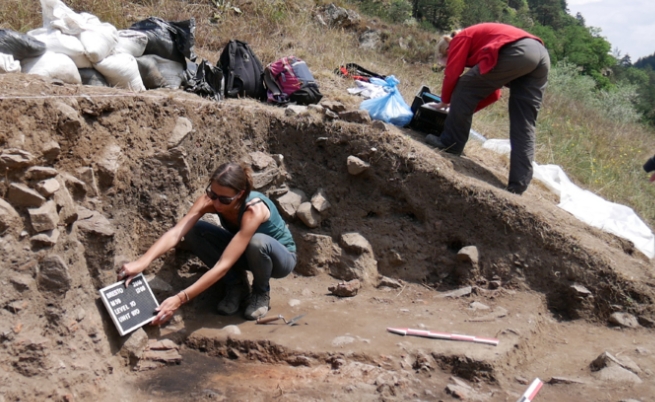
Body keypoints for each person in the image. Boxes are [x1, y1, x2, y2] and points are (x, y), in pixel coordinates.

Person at [118, 162, 297, 324]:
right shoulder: (209, 200)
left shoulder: (253, 210)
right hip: (245, 252)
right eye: (213, 194)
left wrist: (180, 299)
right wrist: (142, 262)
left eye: (224, 199)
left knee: (257, 243)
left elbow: (223, 265)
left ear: (240, 194)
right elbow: (176, 233)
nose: (217, 204)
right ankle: (236, 286)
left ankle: (260, 292)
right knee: (195, 230)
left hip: (279, 259)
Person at [428, 22, 550, 195]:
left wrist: (445, 102)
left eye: (445, 59)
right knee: (524, 122)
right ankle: (518, 184)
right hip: (540, 56)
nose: (446, 62)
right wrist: (458, 111)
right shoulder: (481, 44)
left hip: (519, 50)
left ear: (448, 50)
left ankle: (451, 143)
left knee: (464, 86)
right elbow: (494, 94)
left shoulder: (459, 39)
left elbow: (453, 74)